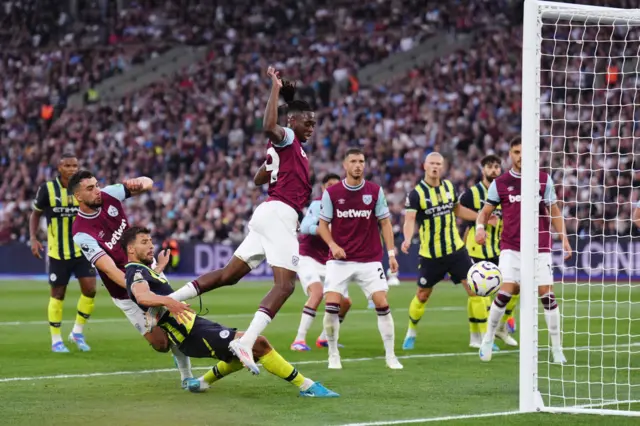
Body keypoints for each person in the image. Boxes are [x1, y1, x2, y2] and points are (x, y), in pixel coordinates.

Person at [167, 67, 316, 375]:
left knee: (228, 275)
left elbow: (257, 177)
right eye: (308, 121)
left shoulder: (291, 149)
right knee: (285, 286)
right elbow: (269, 126)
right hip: (279, 214)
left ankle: (168, 300)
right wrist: (275, 90)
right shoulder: (288, 138)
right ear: (293, 121)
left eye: (314, 122)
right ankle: (246, 341)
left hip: (266, 213)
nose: (312, 126)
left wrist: (273, 166)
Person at [122, 226, 338, 397]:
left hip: (195, 326)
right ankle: (307, 386)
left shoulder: (144, 270)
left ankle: (202, 382)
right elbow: (141, 296)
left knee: (240, 352)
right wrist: (171, 302)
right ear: (131, 249)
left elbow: (151, 291)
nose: (150, 245)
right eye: (144, 242)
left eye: (150, 241)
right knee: (257, 343)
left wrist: (159, 269)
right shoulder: (134, 272)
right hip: (191, 335)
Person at [69, 170, 194, 386]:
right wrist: (139, 288)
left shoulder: (110, 194)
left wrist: (141, 182)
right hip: (124, 291)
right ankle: (173, 352)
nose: (97, 191)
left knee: (176, 323)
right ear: (78, 196)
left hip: (148, 270)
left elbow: (149, 182)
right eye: (90, 188)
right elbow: (109, 270)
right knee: (161, 344)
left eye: (97, 185)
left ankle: (187, 377)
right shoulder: (81, 233)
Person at [475, 137, 572, 363]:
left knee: (546, 294)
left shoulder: (542, 179)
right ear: (510, 154)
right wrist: (480, 228)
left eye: (524, 151)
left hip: (540, 245)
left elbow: (554, 211)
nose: (520, 156)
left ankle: (556, 348)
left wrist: (564, 238)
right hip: (511, 245)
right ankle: (488, 337)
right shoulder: (500, 183)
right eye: (516, 152)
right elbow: (485, 212)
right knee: (506, 291)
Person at [400, 152, 497, 351]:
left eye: (438, 164)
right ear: (424, 166)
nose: (435, 167)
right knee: (422, 295)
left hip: (456, 250)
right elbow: (409, 220)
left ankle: (486, 339)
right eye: (432, 164)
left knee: (475, 290)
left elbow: (458, 210)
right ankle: (411, 331)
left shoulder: (449, 187)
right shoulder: (416, 193)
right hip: (431, 255)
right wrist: (408, 239)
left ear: (442, 167)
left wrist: (481, 217)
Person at [317, 148, 402, 370]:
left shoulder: (374, 191)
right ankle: (333, 353)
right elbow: (322, 225)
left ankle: (390, 356)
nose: (358, 165)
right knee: (332, 305)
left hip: (369, 259)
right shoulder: (332, 193)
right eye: (353, 161)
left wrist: (391, 254)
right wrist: (333, 245)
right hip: (339, 261)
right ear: (345, 165)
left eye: (361, 161)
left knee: (382, 303)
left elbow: (385, 223)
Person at [29, 153, 97, 353]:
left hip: (82, 250)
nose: (72, 169)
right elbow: (36, 213)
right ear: (59, 167)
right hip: (58, 252)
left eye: (75, 165)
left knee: (91, 289)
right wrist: (33, 238)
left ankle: (77, 332)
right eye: (68, 165)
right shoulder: (47, 189)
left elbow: (94, 212)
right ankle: (56, 339)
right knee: (58, 294)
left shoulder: (85, 188)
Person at [460, 155, 518, 348]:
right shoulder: (471, 194)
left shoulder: (504, 191)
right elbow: (461, 215)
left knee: (512, 290)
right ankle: (480, 336)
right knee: (478, 292)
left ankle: (502, 326)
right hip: (475, 249)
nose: (494, 170)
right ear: (482, 169)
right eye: (490, 167)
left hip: (499, 249)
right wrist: (481, 221)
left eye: (496, 167)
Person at [290, 173, 352, 351]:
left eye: (336, 185)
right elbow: (305, 226)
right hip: (308, 257)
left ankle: (325, 338)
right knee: (316, 293)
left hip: (330, 261)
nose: (333, 188)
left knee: (345, 302)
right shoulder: (318, 204)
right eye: (330, 185)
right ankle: (299, 340)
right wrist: (325, 229)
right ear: (324, 188)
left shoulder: (345, 208)